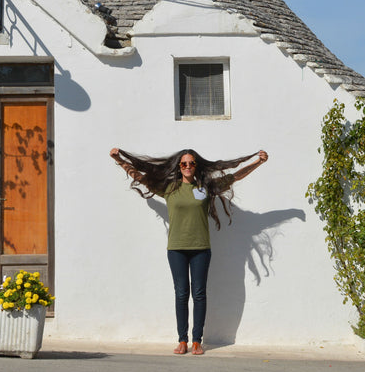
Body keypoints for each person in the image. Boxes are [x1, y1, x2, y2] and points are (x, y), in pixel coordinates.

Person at [109, 146, 268, 355]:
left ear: (196, 166)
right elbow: (140, 177)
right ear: (179, 166)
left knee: (199, 294)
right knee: (182, 294)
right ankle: (182, 340)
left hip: (201, 248)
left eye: (191, 163)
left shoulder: (206, 187)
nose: (187, 167)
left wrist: (257, 162)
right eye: (183, 163)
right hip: (176, 249)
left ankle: (196, 341)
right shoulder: (169, 188)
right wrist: (120, 160)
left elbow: (234, 177)